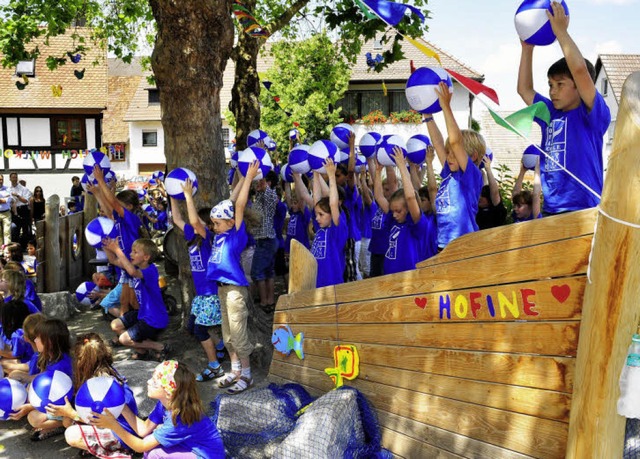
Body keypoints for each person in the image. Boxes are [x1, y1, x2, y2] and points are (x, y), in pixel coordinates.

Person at [517, 2, 610, 215]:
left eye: (560, 84)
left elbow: (579, 70)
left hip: (584, 209)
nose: (552, 91)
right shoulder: (549, 113)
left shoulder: (592, 114)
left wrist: (561, 33)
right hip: (551, 209)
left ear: (580, 88)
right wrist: (527, 49)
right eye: (550, 85)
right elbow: (524, 89)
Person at [92, 360, 225, 458]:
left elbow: (140, 446)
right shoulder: (165, 404)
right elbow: (143, 430)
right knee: (151, 445)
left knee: (153, 454)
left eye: (155, 382)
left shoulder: (180, 419)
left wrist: (114, 425)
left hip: (206, 456)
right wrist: (122, 406)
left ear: (168, 392)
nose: (148, 382)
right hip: (190, 447)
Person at [207, 160, 257, 395]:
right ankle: (235, 369)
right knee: (228, 335)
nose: (214, 227)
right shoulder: (220, 235)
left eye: (217, 223)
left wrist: (247, 178)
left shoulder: (235, 234)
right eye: (214, 223)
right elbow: (229, 202)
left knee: (238, 333)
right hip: (222, 288)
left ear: (229, 223)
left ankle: (246, 375)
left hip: (236, 289)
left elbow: (238, 205)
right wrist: (238, 174)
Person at [46, 333, 139, 458]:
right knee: (68, 421)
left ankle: (120, 452)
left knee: (71, 433)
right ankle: (100, 446)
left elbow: (98, 418)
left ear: (80, 361)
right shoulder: (104, 372)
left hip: (123, 434)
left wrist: (70, 413)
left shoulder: (99, 385)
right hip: (119, 426)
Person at [172, 183, 225, 382]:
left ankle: (214, 366)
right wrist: (172, 195)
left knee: (199, 330)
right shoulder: (191, 237)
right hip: (202, 294)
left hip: (211, 293)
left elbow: (194, 221)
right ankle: (219, 346)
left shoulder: (210, 238)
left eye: (200, 223)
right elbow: (177, 219)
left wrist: (188, 195)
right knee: (194, 325)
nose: (195, 225)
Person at [425, 83, 485, 250]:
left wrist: (446, 107)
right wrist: (427, 114)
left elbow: (455, 141)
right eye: (448, 152)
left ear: (472, 157)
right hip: (443, 243)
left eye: (454, 153)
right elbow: (438, 143)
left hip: (464, 245)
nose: (448, 156)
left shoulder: (471, 175)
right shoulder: (449, 172)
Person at [103, 237, 169, 361]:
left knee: (123, 339)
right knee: (115, 325)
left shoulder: (151, 270)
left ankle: (160, 347)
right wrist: (105, 245)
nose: (130, 254)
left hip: (154, 319)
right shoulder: (133, 268)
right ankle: (142, 351)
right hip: (143, 314)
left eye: (135, 252)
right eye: (131, 251)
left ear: (146, 257)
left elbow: (133, 272)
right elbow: (113, 260)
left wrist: (117, 249)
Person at [10, 318, 72, 441]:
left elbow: (56, 398)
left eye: (38, 337)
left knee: (33, 418)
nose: (35, 340)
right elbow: (43, 378)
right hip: (54, 400)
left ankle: (61, 425)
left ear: (49, 342)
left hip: (64, 405)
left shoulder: (60, 366)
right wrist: (24, 376)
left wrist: (30, 407)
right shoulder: (51, 356)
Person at [374, 148, 429, 275]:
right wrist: (377, 172)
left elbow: (410, 197)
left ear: (409, 209)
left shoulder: (416, 223)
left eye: (398, 211)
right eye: (393, 211)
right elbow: (379, 197)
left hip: (408, 277)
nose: (394, 214)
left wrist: (402, 166)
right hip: (389, 274)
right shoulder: (393, 220)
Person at [310, 158, 348, 288]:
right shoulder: (320, 228)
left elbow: (333, 204)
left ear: (331, 215)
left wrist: (331, 176)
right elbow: (316, 199)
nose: (317, 218)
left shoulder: (336, 231)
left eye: (321, 215)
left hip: (332, 285)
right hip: (316, 283)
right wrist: (315, 173)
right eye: (316, 214)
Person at [250, 168, 278, 312]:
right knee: (267, 272)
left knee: (258, 272)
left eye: (262, 180)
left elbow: (268, 194)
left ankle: (264, 302)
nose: (258, 183)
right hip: (264, 240)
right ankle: (269, 302)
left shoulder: (271, 195)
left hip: (266, 240)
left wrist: (261, 168)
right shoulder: (260, 196)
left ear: (269, 182)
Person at [4, 312, 45, 380]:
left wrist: (25, 377)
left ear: (26, 338)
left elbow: (15, 355)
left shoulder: (38, 357)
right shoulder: (40, 354)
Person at [0, 299, 32, 376]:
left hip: (27, 363)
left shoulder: (17, 334)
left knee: (2, 364)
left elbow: (16, 354)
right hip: (29, 361)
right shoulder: (26, 329)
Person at [476, 155, 507, 230]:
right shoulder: (476, 210)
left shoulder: (497, 212)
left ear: (489, 198)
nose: (480, 197)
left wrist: (488, 170)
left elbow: (494, 192)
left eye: (483, 196)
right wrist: (476, 167)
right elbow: (481, 184)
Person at [512, 157, 543, 223]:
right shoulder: (517, 215)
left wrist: (537, 170)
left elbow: (536, 195)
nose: (515, 209)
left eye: (519, 206)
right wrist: (522, 171)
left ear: (530, 206)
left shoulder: (534, 217)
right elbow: (515, 192)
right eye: (515, 205)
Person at [9, 172, 33, 245]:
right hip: (14, 210)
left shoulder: (24, 189)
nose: (14, 179)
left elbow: (25, 200)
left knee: (25, 228)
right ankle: (16, 246)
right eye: (12, 177)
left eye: (15, 177)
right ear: (10, 179)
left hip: (23, 209)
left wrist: (17, 196)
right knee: (15, 229)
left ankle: (25, 246)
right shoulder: (9, 189)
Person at [0, 174, 14, 246]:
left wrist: (4, 199)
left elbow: (7, 200)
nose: (0, 181)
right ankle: (0, 251)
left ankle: (7, 250)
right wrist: (2, 199)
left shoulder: (7, 189)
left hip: (6, 213)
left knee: (7, 232)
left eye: (1, 179)